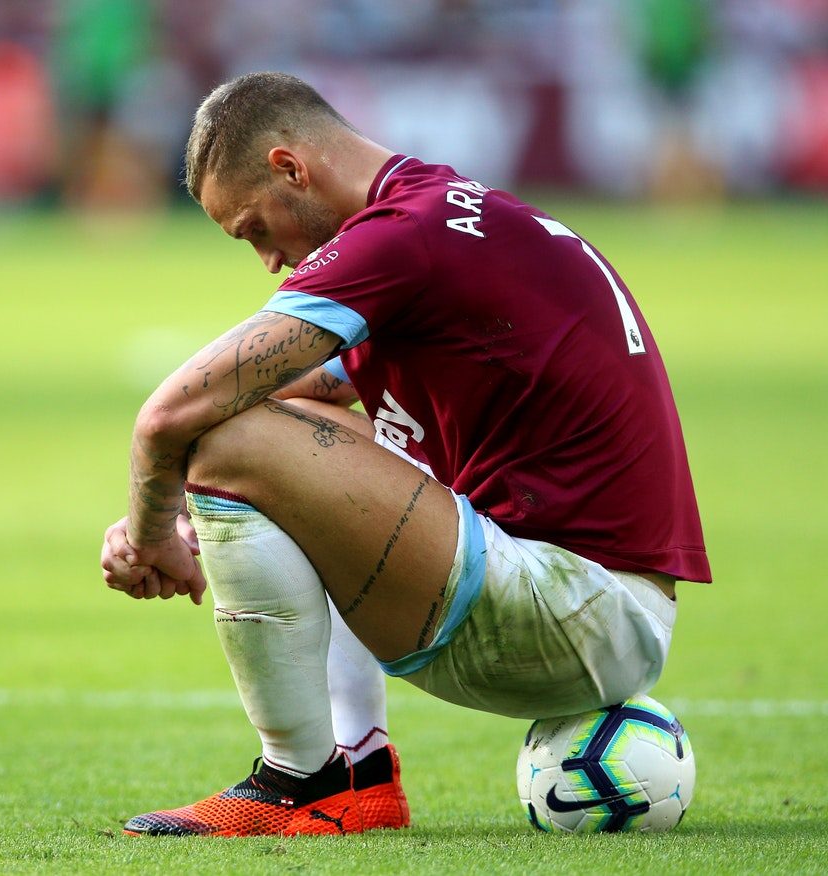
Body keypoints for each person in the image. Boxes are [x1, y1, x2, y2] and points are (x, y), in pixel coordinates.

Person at [100, 72, 710, 837]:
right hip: (600, 604)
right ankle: (357, 769)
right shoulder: (443, 214)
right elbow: (287, 413)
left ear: (291, 168)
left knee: (227, 434)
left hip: (575, 608)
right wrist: (189, 519)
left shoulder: (399, 238)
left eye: (255, 228)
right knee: (255, 426)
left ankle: (299, 779)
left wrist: (150, 532)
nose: (268, 260)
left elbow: (170, 416)